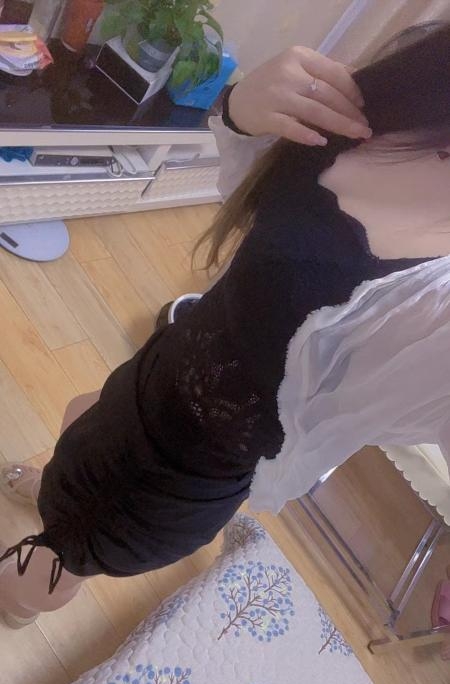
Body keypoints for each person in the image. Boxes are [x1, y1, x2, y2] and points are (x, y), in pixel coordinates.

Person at [2, 28, 450, 633]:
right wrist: (239, 112)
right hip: (163, 367)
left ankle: (23, 600)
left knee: (56, 563)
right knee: (81, 421)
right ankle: (54, 499)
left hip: (182, 479)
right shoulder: (409, 93)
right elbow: (255, 200)